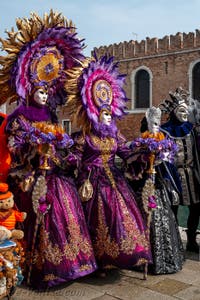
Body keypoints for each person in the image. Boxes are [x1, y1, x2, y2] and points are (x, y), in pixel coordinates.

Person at [0, 10, 97, 289]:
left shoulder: (53, 118)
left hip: (53, 174)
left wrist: (61, 151)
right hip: (31, 174)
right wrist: (34, 149)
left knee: (66, 209)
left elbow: (63, 144)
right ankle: (40, 267)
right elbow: (14, 146)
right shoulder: (20, 115)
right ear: (30, 90)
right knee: (39, 213)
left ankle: (73, 265)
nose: (44, 95)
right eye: (40, 91)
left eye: (46, 91)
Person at [66, 55, 152, 275]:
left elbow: (127, 153)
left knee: (123, 217)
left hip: (114, 181)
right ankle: (99, 261)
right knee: (97, 221)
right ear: (95, 114)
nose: (108, 118)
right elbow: (73, 157)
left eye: (109, 114)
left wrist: (147, 152)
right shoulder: (84, 136)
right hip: (91, 184)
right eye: (104, 114)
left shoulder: (115, 137)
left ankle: (124, 255)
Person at [130, 107, 184, 274]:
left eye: (158, 123)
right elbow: (133, 168)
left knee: (164, 220)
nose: (156, 126)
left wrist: (173, 187)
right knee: (144, 220)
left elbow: (169, 169)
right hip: (145, 189)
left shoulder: (163, 142)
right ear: (147, 123)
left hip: (159, 188)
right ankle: (143, 259)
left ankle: (165, 258)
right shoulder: (141, 143)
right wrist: (145, 161)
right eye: (153, 123)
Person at [160, 87, 200, 253]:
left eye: (186, 111)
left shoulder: (191, 130)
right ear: (174, 112)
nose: (184, 114)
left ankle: (191, 240)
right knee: (173, 209)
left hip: (191, 174)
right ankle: (174, 241)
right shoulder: (165, 131)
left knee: (196, 208)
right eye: (181, 110)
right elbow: (164, 158)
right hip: (174, 175)